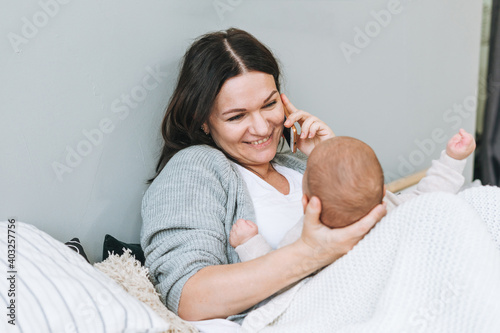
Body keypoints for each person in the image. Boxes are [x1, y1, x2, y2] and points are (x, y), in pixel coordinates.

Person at [140, 28, 387, 323]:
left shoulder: (297, 164)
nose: (261, 127)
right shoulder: (195, 167)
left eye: (270, 104)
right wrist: (311, 252)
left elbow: (384, 219)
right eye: (237, 116)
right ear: (202, 120)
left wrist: (330, 158)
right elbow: (189, 297)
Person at [230, 130, 476, 262]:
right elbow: (431, 196)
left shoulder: (305, 237)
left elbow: (274, 269)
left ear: (305, 204)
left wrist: (248, 242)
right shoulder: (391, 210)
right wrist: (453, 159)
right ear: (383, 193)